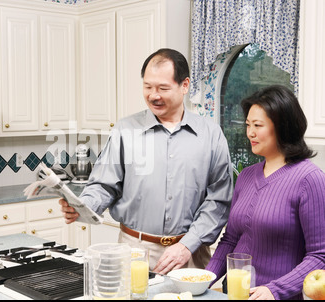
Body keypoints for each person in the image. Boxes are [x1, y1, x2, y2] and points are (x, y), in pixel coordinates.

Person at [60, 48, 234, 274]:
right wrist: (83, 207)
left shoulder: (211, 135)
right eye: (148, 87)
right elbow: (104, 184)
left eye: (163, 88)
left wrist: (186, 245)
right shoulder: (125, 129)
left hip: (190, 254)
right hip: (134, 252)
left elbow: (219, 200)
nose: (154, 95)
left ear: (184, 85)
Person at [206, 85, 325, 300]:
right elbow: (231, 240)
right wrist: (205, 279)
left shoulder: (310, 179)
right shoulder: (246, 176)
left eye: (258, 125)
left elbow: (320, 255)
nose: (250, 132)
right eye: (248, 125)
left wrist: (275, 289)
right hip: (232, 293)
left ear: (282, 127)